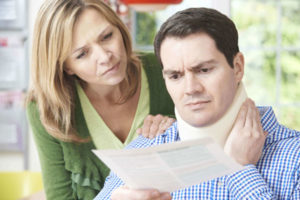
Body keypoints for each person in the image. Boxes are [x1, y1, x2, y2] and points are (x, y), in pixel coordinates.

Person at [95, 7, 300, 200]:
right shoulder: (138, 157)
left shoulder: (295, 156)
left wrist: (240, 170)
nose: (191, 88)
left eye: (204, 70)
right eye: (175, 76)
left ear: (237, 67)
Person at [26, 0, 175, 199]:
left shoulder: (165, 69)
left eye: (106, 36)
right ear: (65, 66)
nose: (105, 57)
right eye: (82, 54)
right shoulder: (46, 108)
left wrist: (181, 131)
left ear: (119, 28)